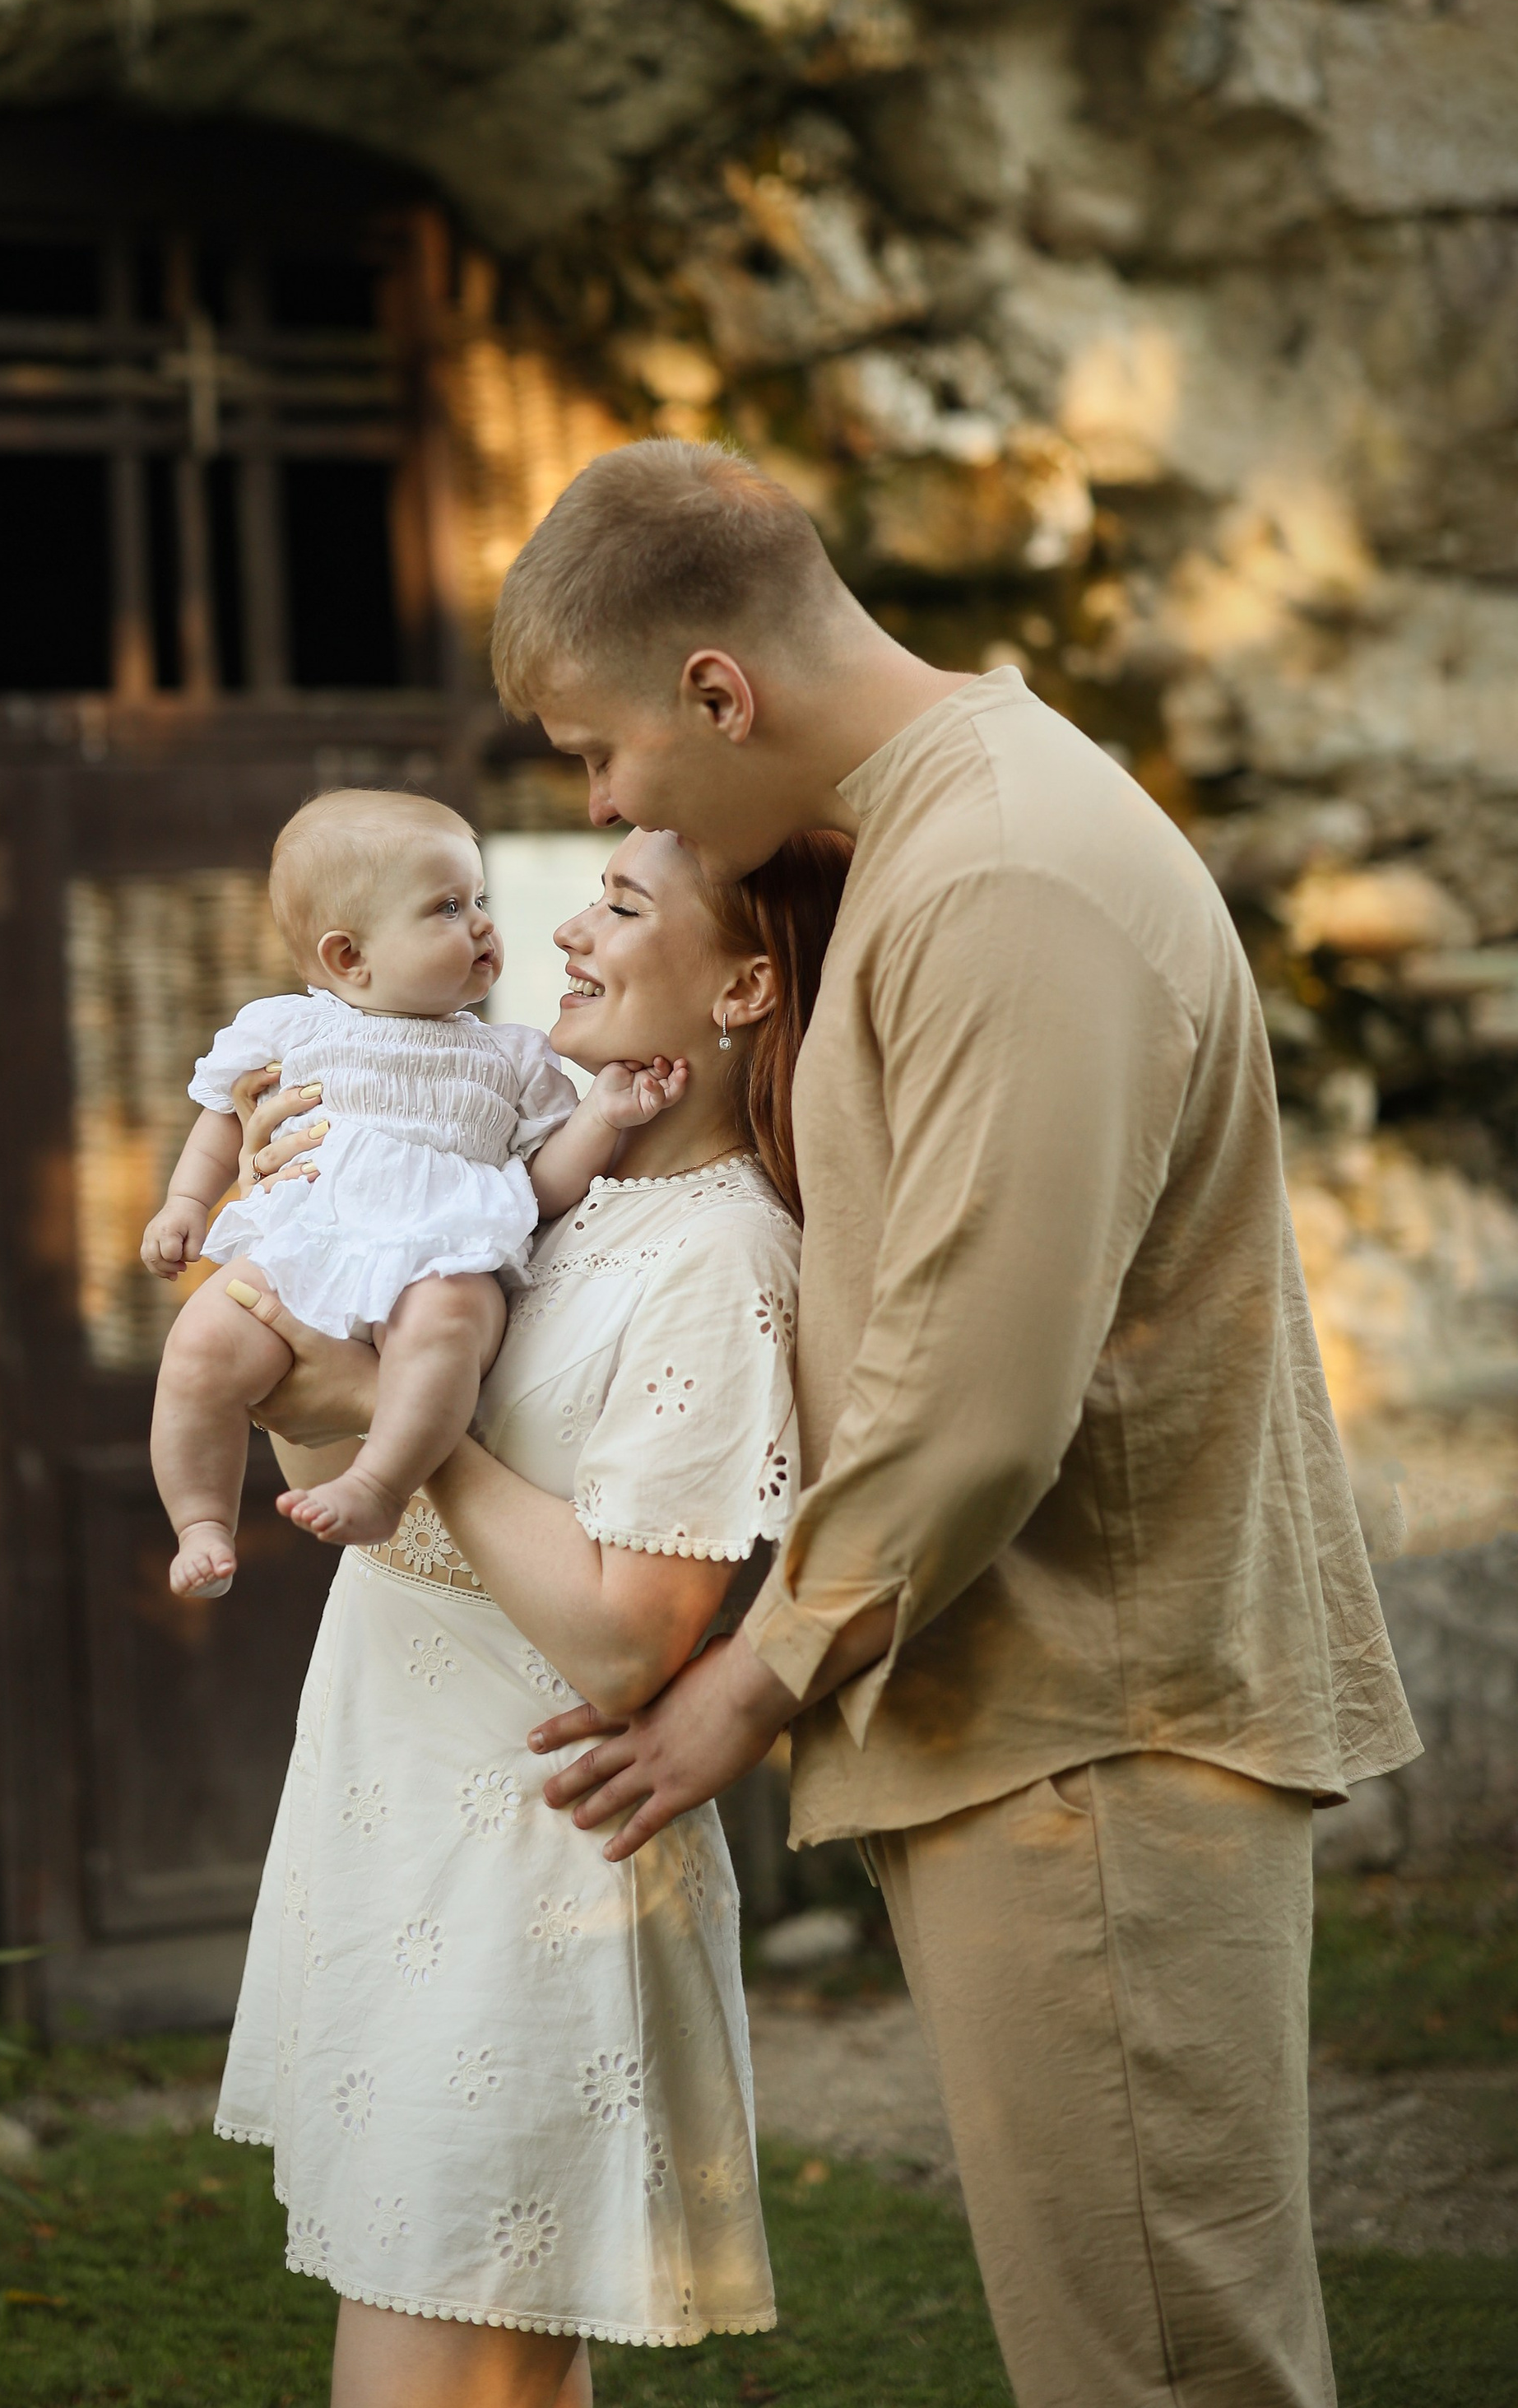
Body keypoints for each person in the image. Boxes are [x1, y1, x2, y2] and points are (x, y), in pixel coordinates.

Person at [464, 439, 1418, 2408]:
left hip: (1094, 1737)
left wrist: (755, 1675)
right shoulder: (925, 837)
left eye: (597, 752)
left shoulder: (994, 869)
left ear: (713, 688)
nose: (599, 808)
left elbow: (979, 1394)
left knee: (1156, 2372)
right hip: (1032, 1726)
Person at [214, 820, 852, 2407]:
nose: (564, 930)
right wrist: (283, 1247)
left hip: (532, 1867)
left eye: (625, 904)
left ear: (747, 984)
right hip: (392, 1825)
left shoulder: (723, 1257)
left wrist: (401, 1427)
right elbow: (311, 1441)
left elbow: (630, 1640)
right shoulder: (528, 1181)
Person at [141, 788, 684, 1589]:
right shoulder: (294, 1028)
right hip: (305, 1249)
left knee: (450, 1320)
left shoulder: (511, 1059)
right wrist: (187, 1202)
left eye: (481, 900)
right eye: (446, 906)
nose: (482, 925)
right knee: (198, 1347)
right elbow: (227, 1115)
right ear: (348, 958)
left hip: (434, 1258)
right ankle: (200, 1522)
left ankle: (380, 1482)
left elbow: (538, 1190)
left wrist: (601, 1114)